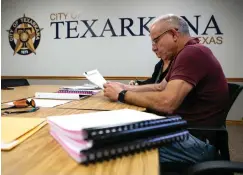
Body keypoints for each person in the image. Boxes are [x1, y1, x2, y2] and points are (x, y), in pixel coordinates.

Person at [103, 14, 229, 165]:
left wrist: (121, 94)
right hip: (184, 131)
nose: (153, 47)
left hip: (195, 141)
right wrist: (124, 87)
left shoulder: (192, 53)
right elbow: (159, 87)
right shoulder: (185, 53)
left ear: (174, 34)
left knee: (111, 144)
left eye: (156, 40)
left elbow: (167, 103)